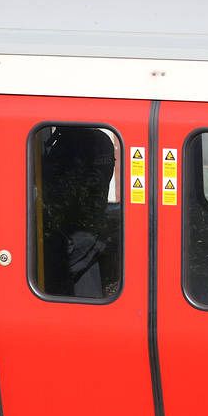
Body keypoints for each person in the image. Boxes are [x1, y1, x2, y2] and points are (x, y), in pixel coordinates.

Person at [41, 127, 115, 298]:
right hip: (93, 235)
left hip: (71, 241)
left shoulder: (70, 144)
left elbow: (61, 193)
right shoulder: (101, 140)